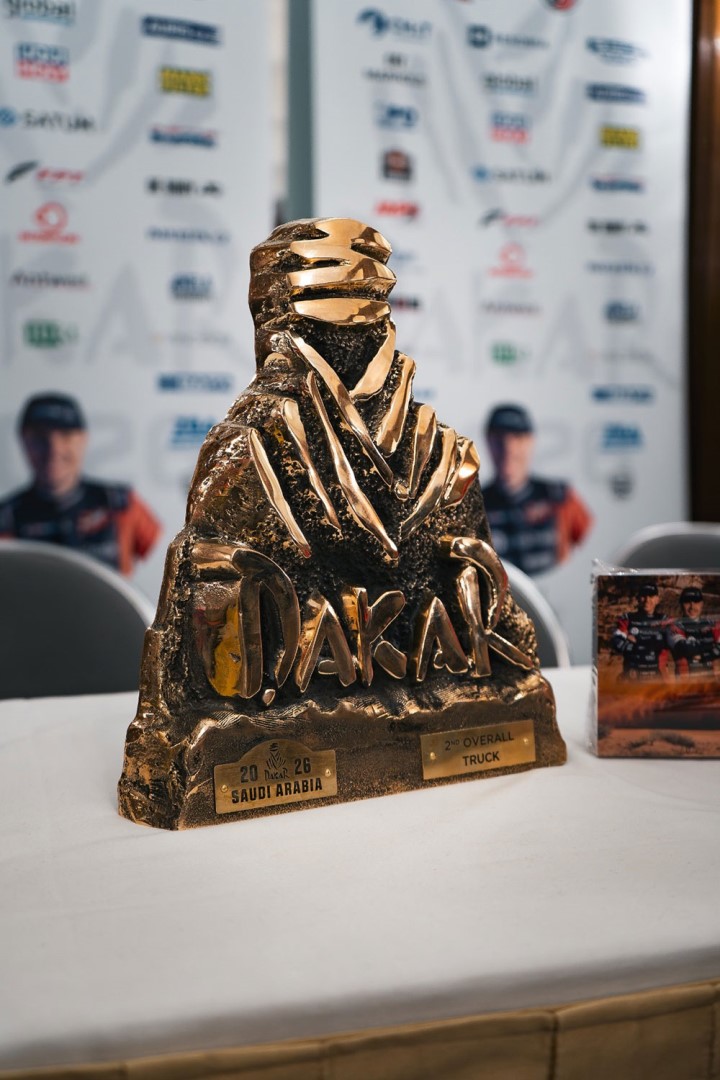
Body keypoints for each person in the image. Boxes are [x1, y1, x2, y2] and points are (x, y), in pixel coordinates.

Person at [0, 392, 160, 575]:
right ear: (23, 440)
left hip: (106, 596)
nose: (54, 449)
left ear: (83, 439)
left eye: (66, 436)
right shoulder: (6, 518)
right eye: (40, 437)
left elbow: (168, 560)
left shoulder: (120, 503)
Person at [481, 404, 593, 575]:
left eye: (517, 437)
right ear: (488, 442)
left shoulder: (560, 497)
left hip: (551, 590)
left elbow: (592, 550)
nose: (509, 449)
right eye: (499, 439)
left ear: (531, 441)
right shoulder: (474, 504)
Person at [611, 583, 671, 680]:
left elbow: (675, 642)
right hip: (632, 676)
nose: (647, 600)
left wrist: (636, 642)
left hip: (659, 678)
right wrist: (633, 646)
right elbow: (616, 640)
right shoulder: (627, 618)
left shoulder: (665, 620)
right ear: (638, 599)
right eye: (644, 596)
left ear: (657, 599)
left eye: (651, 596)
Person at [667, 586, 720, 677]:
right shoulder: (674, 625)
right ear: (681, 604)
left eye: (696, 602)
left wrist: (701, 655)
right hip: (685, 682)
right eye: (687, 602)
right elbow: (685, 649)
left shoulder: (713, 624)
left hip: (710, 681)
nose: (692, 607)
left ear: (702, 604)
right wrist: (712, 650)